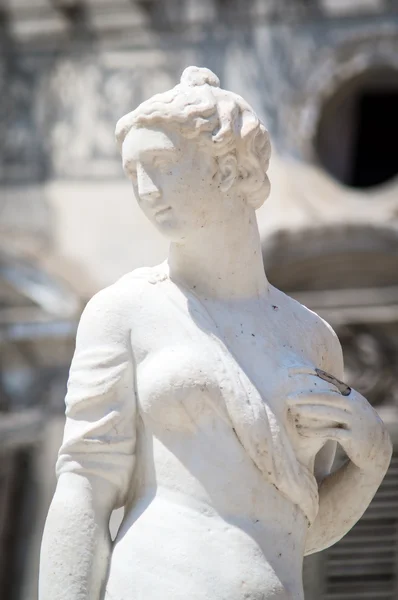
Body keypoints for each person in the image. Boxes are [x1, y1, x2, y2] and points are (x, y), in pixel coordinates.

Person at [39, 67, 392, 600]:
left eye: (159, 164)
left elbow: (300, 528)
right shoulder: (126, 311)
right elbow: (83, 490)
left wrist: (371, 463)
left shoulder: (312, 337)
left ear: (228, 168)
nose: (143, 188)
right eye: (133, 171)